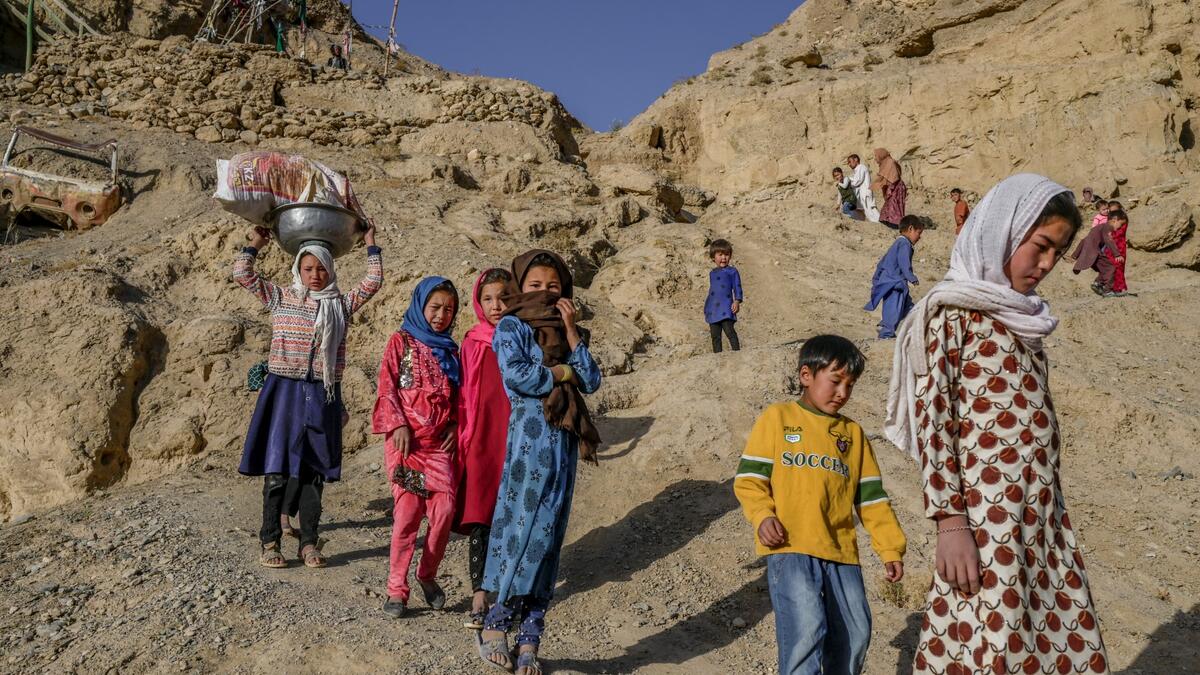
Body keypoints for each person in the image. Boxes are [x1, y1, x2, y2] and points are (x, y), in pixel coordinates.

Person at [884, 174, 1109, 674]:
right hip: (985, 524)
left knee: (1054, 634)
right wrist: (950, 522)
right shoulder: (951, 313)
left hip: (1041, 515)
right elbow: (933, 420)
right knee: (991, 640)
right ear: (1006, 230)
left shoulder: (1021, 320)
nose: (1047, 264)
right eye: (1041, 246)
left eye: (1059, 252)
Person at [735, 335, 906, 675]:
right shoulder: (778, 418)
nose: (843, 393)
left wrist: (890, 548)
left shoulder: (852, 435)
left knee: (856, 634)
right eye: (835, 380)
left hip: (842, 553)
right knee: (806, 631)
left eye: (850, 385)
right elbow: (750, 479)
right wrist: (762, 515)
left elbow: (871, 499)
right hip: (791, 546)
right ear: (806, 375)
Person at [476, 250, 602, 675]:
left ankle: (531, 634)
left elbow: (593, 378)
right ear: (519, 286)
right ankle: (495, 625)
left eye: (553, 286)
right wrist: (564, 374)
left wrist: (569, 332)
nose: (545, 292)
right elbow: (520, 376)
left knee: (550, 536)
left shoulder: (570, 331)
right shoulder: (510, 326)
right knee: (522, 528)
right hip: (529, 443)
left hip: (563, 446)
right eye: (535, 285)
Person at [234, 225, 382, 569]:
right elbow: (242, 273)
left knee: (314, 471)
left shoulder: (340, 305)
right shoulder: (281, 298)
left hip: (322, 392)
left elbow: (373, 283)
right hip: (283, 390)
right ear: (298, 269)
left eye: (321, 269)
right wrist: (257, 241)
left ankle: (309, 541)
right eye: (308, 268)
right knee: (277, 469)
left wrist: (370, 244)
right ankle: (270, 541)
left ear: (331, 270)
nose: (315, 275)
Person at [373, 277, 461, 618]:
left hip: (438, 446)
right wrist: (398, 424)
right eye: (435, 307)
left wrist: (455, 423)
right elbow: (387, 385)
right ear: (420, 306)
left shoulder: (450, 350)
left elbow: (459, 397)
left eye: (448, 309)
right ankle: (397, 590)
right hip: (406, 444)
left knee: (444, 512)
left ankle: (427, 574)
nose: (440, 315)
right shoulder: (401, 341)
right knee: (408, 517)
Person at [454, 268, 514, 629]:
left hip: (516, 437)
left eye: (503, 297)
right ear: (478, 301)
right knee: (481, 515)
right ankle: (480, 593)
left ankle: (507, 591)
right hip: (480, 437)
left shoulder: (523, 337)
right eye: (488, 298)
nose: (496, 305)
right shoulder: (473, 341)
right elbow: (462, 393)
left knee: (510, 513)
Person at [864, 215, 923, 339]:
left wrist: (877, 278)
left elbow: (882, 263)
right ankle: (886, 333)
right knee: (894, 309)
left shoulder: (897, 243)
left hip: (891, 282)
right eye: (919, 233)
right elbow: (904, 263)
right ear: (911, 228)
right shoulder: (904, 244)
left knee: (910, 309)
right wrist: (911, 277)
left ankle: (918, 332)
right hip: (895, 284)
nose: (920, 237)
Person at [704, 238, 744, 353]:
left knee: (730, 331)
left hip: (726, 307)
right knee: (715, 336)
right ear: (713, 257)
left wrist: (737, 301)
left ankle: (737, 353)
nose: (723, 258)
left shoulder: (732, 271)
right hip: (712, 309)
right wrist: (707, 307)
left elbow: (737, 287)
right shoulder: (712, 273)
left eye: (726, 254)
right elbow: (712, 292)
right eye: (720, 254)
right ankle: (718, 357)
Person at [1071, 209, 1123, 295]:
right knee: (1111, 267)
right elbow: (1109, 240)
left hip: (1091, 252)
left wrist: (1075, 254)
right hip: (1094, 252)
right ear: (1114, 220)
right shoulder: (1108, 227)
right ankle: (1108, 290)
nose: (1120, 227)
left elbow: (1084, 240)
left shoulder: (1100, 227)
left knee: (1104, 268)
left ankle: (1098, 284)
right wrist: (1117, 254)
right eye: (1120, 224)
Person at [873, 148, 907, 229]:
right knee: (889, 206)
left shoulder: (890, 162)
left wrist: (889, 190)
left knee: (894, 206)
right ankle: (889, 222)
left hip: (896, 188)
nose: (875, 158)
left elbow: (893, 178)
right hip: (892, 187)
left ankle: (896, 224)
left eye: (876, 156)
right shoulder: (885, 163)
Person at [847, 154, 880, 222]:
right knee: (866, 211)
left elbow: (857, 181)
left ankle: (880, 223)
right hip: (862, 194)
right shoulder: (857, 169)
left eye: (850, 162)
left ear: (856, 159)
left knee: (870, 210)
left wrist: (849, 183)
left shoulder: (861, 167)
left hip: (865, 193)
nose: (849, 164)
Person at [1103, 209, 1129, 296]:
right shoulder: (1110, 225)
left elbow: (1118, 234)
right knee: (1111, 268)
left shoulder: (1122, 222)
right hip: (1111, 249)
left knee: (1118, 268)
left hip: (1120, 249)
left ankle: (1117, 288)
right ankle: (1109, 288)